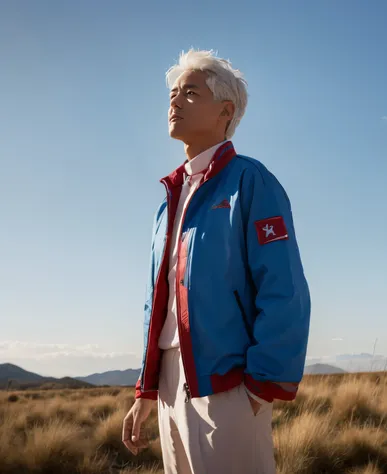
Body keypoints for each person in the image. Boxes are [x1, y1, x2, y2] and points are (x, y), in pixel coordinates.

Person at [122, 49, 311, 474]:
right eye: (173, 93)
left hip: (228, 389)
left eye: (190, 93)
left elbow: (284, 289)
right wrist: (146, 391)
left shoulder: (250, 181)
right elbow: (159, 306)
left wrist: (258, 389)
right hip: (170, 388)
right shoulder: (167, 204)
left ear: (226, 111)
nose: (174, 102)